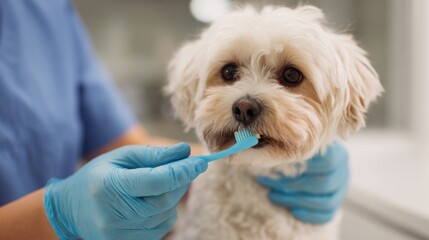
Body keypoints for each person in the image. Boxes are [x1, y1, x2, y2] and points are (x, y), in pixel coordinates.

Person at [0, 1, 349, 239]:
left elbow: (123, 143)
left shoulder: (47, 9)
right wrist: (56, 214)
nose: (246, 103)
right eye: (229, 72)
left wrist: (197, 169)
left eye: (289, 77)